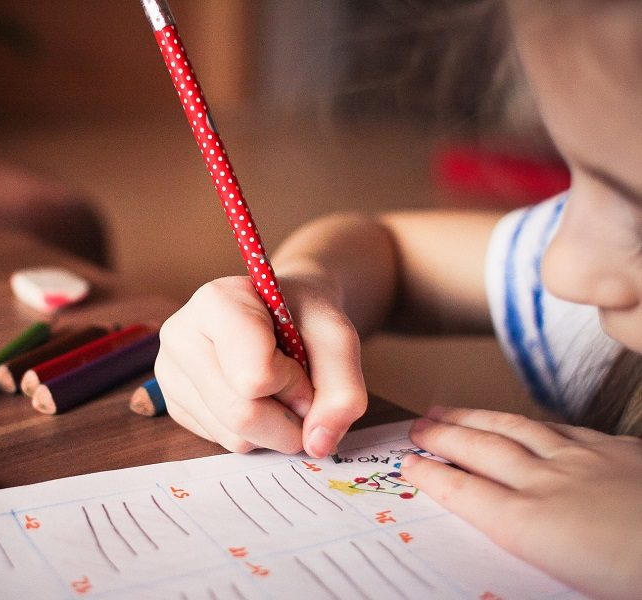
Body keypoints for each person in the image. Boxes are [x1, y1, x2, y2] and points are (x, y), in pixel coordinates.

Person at [154, 1, 642, 598]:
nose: (560, 268)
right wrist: (309, 287)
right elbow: (390, 251)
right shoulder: (593, 268)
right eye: (573, 179)